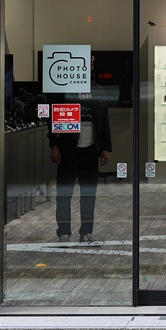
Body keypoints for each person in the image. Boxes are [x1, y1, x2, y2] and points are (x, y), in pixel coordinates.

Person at [48, 91, 111, 243]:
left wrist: (105, 147)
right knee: (64, 194)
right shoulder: (64, 90)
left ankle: (86, 232)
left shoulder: (97, 90)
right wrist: (54, 144)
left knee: (89, 195)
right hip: (67, 149)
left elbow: (104, 121)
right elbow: (53, 118)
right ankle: (64, 232)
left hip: (90, 150)